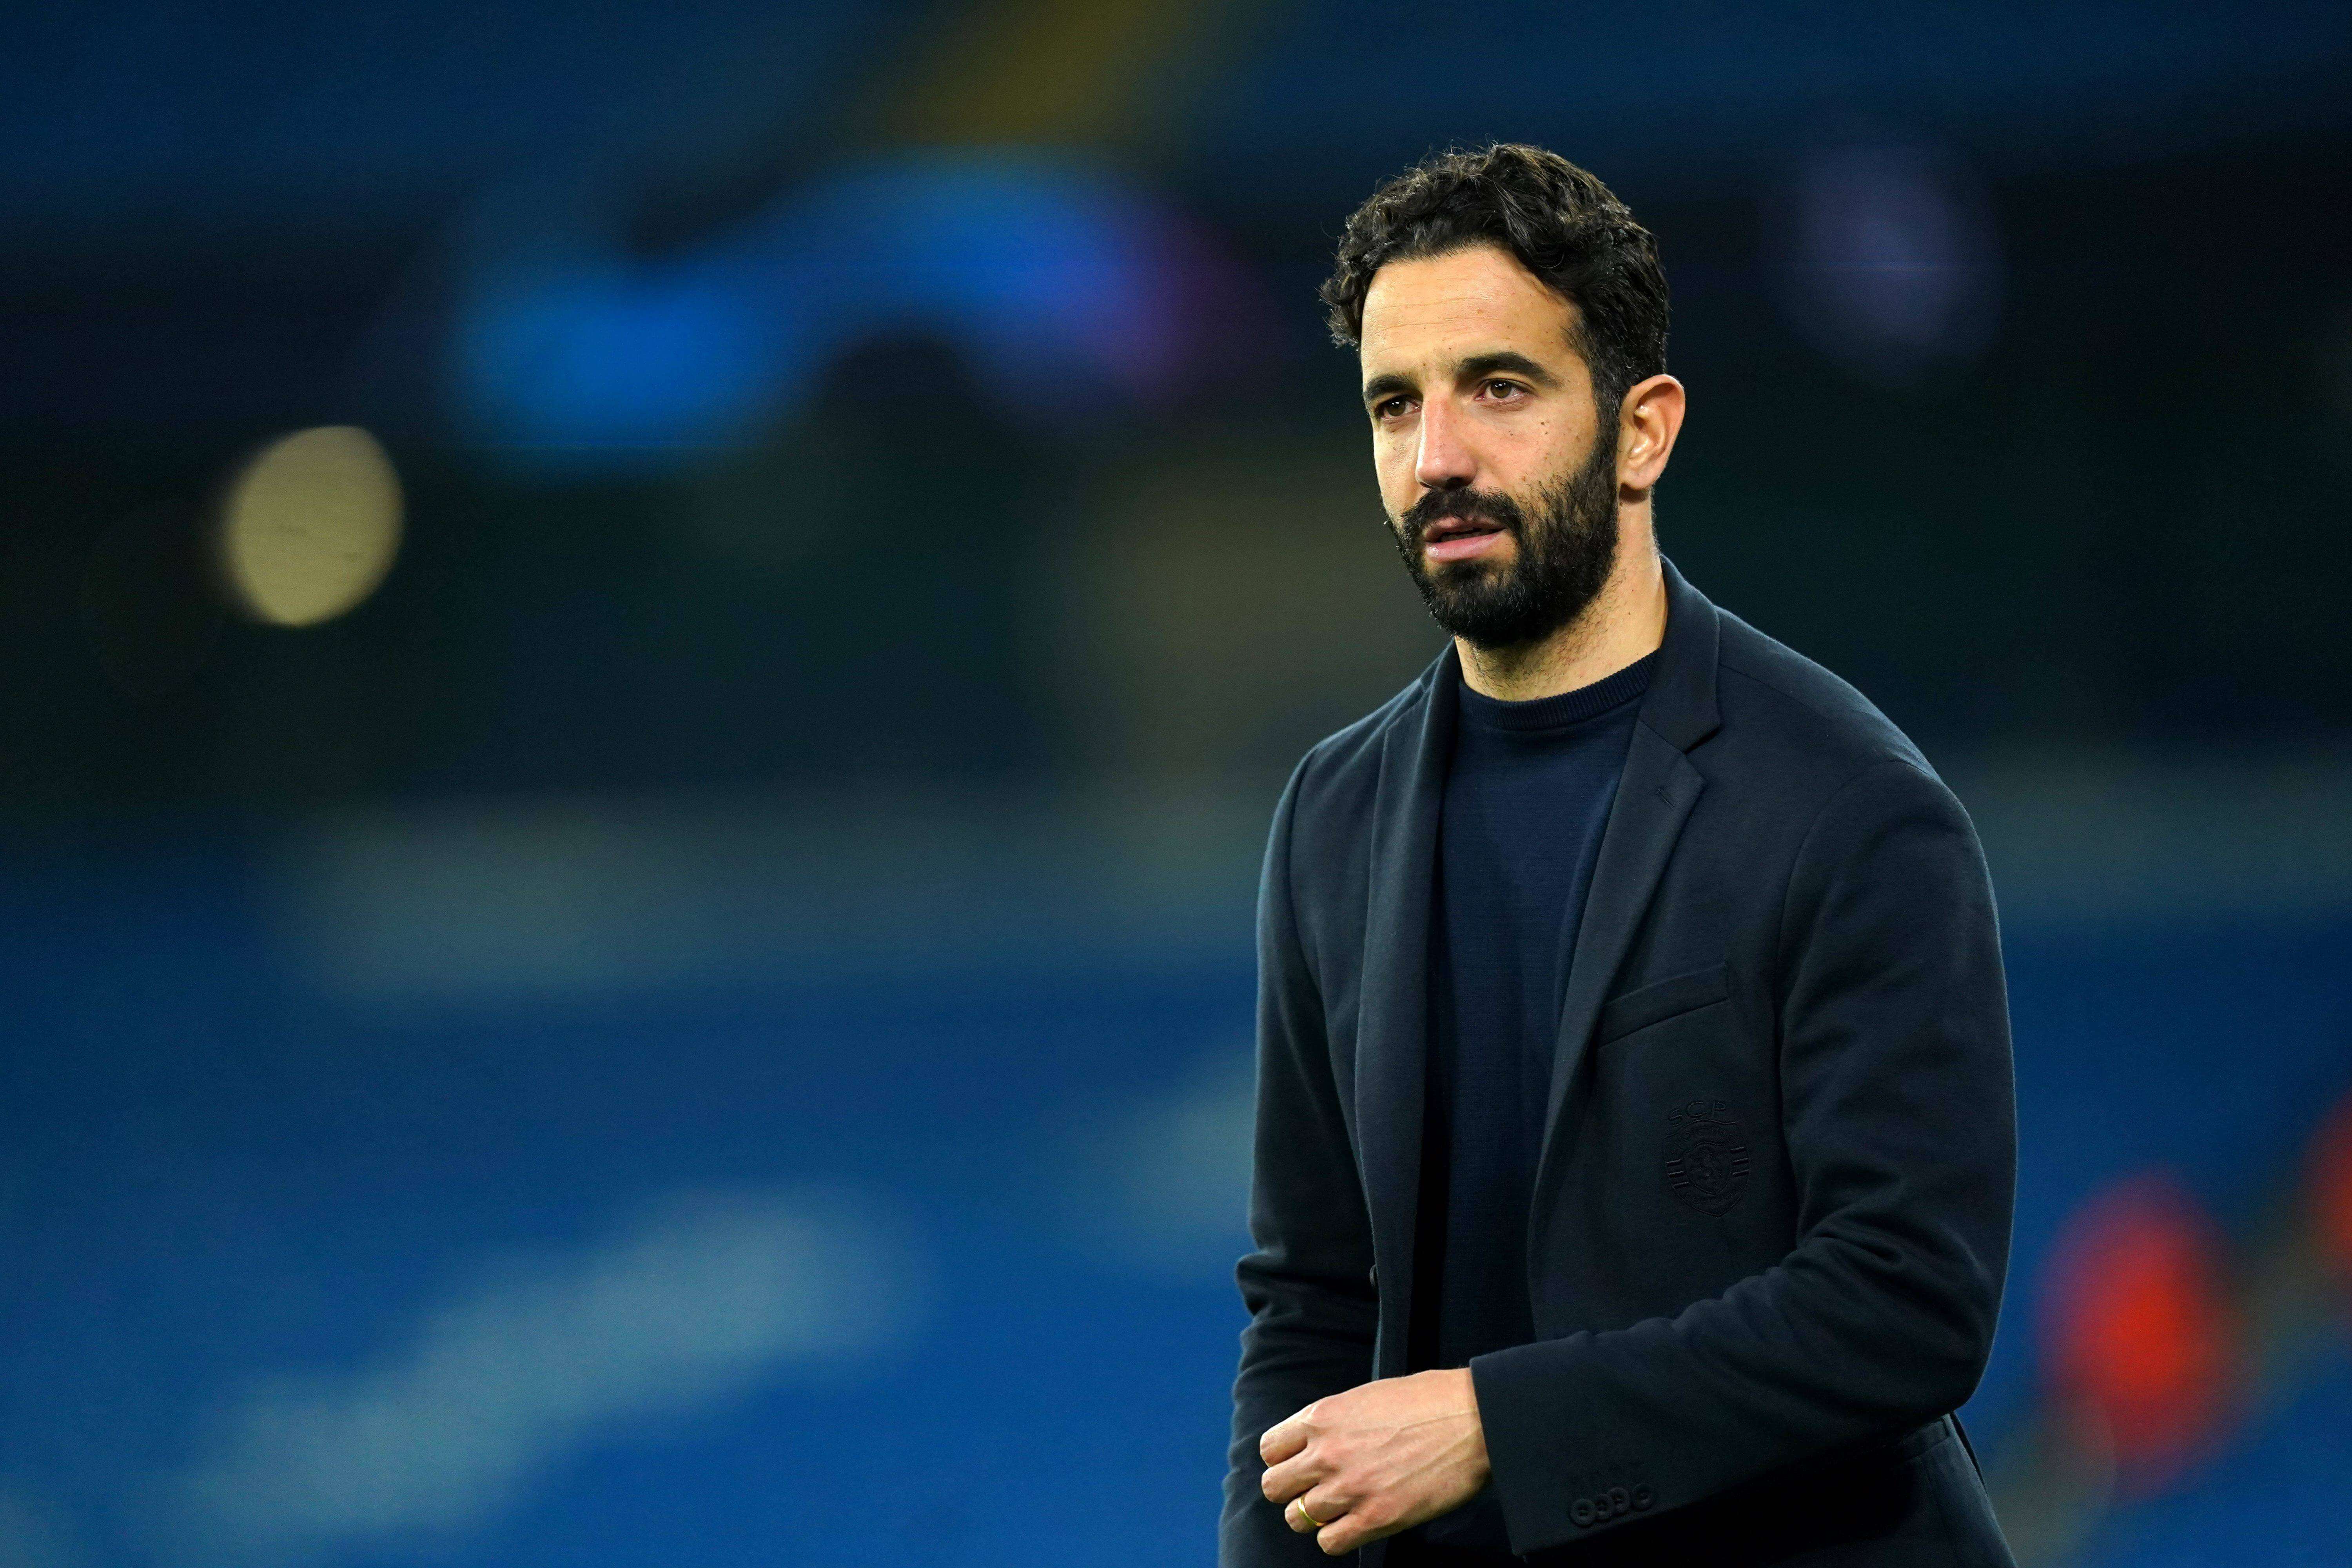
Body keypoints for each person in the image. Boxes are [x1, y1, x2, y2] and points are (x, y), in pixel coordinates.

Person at [1221, 144, 2016, 1566]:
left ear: (1643, 430)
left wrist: (1494, 1425)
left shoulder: (1851, 806)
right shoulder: (1331, 818)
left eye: (1500, 387)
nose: (1438, 458)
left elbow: (1905, 1303)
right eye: (1395, 406)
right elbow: (1311, 1310)